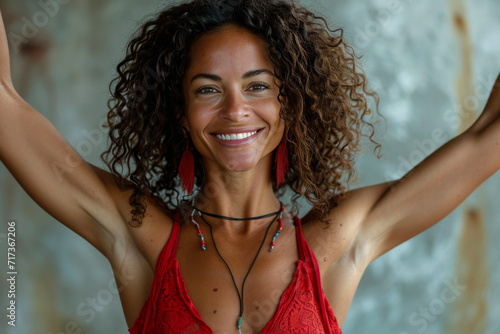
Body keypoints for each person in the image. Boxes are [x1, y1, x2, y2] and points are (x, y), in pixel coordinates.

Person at [1, 0, 499, 333]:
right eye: (208, 89)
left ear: (291, 103)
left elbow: (487, 137)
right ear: (180, 110)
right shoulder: (140, 234)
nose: (235, 110)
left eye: (258, 86)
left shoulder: (338, 237)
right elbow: (6, 108)